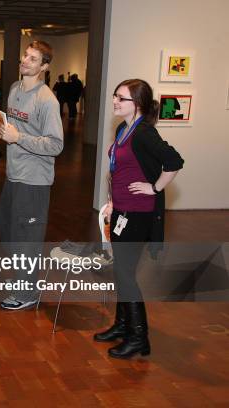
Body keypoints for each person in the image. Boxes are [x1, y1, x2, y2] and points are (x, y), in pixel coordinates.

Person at [94, 78, 183, 359]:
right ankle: (122, 325)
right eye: (115, 96)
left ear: (139, 104)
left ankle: (139, 337)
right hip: (122, 209)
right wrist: (112, 201)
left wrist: (154, 187)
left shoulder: (143, 132)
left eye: (122, 98)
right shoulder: (124, 128)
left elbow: (174, 161)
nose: (115, 102)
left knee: (125, 274)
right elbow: (119, 169)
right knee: (122, 271)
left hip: (139, 213)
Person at [0, 40, 64, 310]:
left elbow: (55, 144)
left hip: (34, 180)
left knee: (27, 238)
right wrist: (1, 131)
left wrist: (18, 137)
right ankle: (23, 279)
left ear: (44, 66)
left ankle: (28, 292)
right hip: (14, 174)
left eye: (33, 59)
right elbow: (12, 128)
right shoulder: (14, 88)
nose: (24, 61)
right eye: (25, 56)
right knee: (8, 231)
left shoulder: (47, 101)